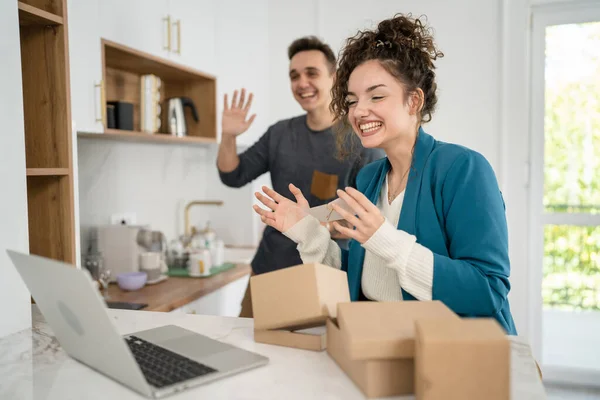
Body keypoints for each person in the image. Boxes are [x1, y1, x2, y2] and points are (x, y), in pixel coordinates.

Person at [252, 14, 517, 334]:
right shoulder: (370, 179)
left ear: (414, 100)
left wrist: (386, 240)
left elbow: (487, 290)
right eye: (351, 101)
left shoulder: (463, 170)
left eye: (376, 96)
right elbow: (364, 280)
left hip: (455, 359)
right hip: (382, 343)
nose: (359, 111)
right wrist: (307, 231)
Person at [217, 36, 385, 318]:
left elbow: (363, 212)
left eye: (312, 73)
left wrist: (306, 220)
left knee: (314, 357)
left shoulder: (361, 137)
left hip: (326, 272)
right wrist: (229, 136)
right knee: (247, 344)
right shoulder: (280, 134)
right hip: (269, 268)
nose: (302, 83)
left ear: (334, 77)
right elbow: (232, 175)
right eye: (294, 76)